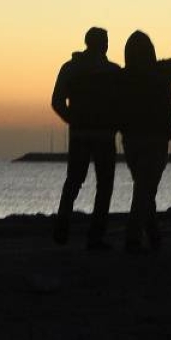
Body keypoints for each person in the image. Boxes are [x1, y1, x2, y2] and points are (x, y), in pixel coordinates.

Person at [119, 32, 171, 253]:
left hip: (131, 140)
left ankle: (153, 235)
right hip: (156, 139)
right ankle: (133, 237)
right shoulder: (163, 70)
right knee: (146, 189)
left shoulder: (122, 77)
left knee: (144, 188)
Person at [51, 27, 122, 250]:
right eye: (106, 41)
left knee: (74, 181)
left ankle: (62, 229)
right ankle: (94, 237)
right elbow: (124, 102)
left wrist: (73, 119)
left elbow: (57, 101)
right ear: (103, 44)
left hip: (81, 134)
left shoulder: (70, 68)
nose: (107, 45)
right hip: (102, 135)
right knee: (104, 185)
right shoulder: (113, 72)